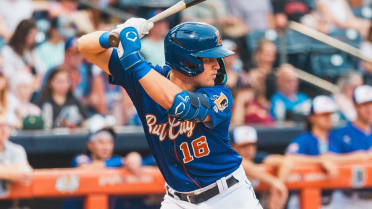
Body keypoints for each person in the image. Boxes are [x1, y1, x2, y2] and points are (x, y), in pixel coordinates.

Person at [78, 19, 262, 208]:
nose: (217, 65)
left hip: (228, 196)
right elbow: (84, 46)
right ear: (186, 61)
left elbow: (179, 104)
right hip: (178, 200)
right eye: (208, 59)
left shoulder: (220, 93)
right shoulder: (146, 78)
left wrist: (133, 58)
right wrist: (114, 36)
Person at [63, 127, 144, 209]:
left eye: (109, 142)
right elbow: (84, 168)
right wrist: (121, 161)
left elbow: (137, 161)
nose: (106, 147)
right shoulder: (81, 158)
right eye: (101, 142)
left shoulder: (116, 160)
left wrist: (134, 156)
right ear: (90, 145)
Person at [286, 95, 339, 209]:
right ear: (312, 117)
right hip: (303, 199)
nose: (328, 117)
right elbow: (289, 158)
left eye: (330, 114)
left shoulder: (336, 139)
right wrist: (319, 160)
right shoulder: (304, 140)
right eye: (324, 114)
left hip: (333, 199)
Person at [231, 126, 288, 209]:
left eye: (252, 145)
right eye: (244, 146)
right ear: (234, 147)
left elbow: (285, 161)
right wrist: (274, 182)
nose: (249, 149)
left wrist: (278, 187)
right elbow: (241, 163)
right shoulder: (230, 161)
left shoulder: (258, 158)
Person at [0, 114, 32, 195]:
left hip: (10, 203)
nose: (4, 130)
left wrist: (3, 171)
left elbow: (25, 173)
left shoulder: (16, 149)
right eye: (0, 126)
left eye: (6, 126)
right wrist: (13, 169)